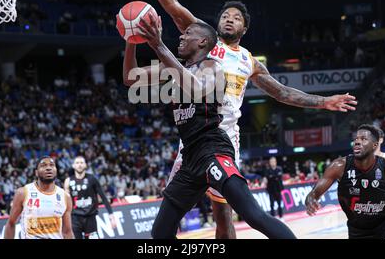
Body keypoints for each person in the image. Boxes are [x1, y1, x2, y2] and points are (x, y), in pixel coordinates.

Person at [117, 0, 358, 239]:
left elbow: (282, 93)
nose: (229, 18)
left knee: (224, 214)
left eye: (237, 17)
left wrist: (324, 102)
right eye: (225, 15)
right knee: (171, 219)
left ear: (244, 29)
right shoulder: (203, 41)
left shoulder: (249, 61)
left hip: (223, 138)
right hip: (192, 140)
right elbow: (173, 6)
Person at [125, 12, 296, 239]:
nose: (181, 38)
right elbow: (130, 77)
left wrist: (159, 46)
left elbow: (195, 88)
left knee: (253, 215)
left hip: (213, 151)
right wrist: (131, 39)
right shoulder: (175, 68)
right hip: (190, 158)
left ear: (203, 42)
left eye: (187, 34)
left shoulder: (213, 66)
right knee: (160, 233)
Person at [305, 124, 385, 239]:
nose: (357, 141)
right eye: (356, 139)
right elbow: (315, 192)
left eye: (363, 139)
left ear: (375, 145)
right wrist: (311, 199)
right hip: (358, 230)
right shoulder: (338, 166)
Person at [4, 156, 74, 239]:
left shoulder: (65, 197)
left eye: (52, 165)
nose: (48, 168)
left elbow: (67, 231)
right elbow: (11, 223)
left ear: (56, 170)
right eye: (43, 165)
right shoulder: (23, 193)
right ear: (36, 172)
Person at [64, 155, 117, 239]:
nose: (79, 165)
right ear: (73, 165)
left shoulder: (92, 179)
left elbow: (103, 197)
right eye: (77, 163)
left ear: (85, 165)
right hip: (75, 219)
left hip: (90, 218)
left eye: (82, 163)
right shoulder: (68, 181)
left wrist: (111, 215)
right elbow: (65, 203)